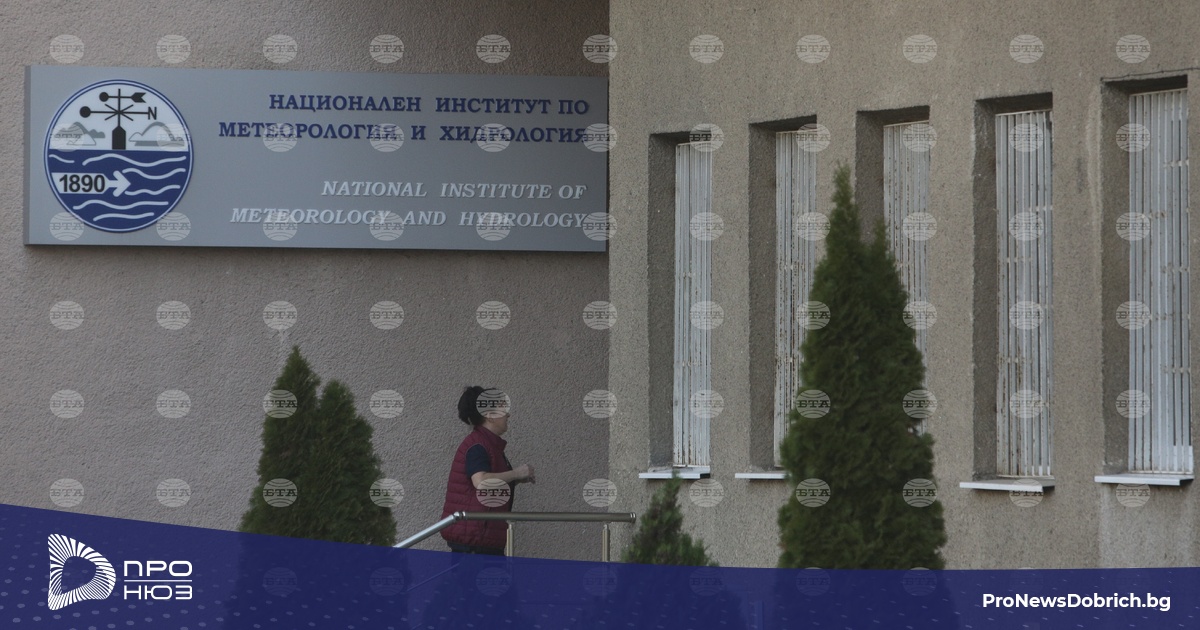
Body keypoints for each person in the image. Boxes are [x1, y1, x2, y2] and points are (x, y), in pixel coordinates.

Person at [439, 386, 535, 555]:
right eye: (503, 409)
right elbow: (481, 482)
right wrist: (516, 473)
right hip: (475, 542)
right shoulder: (478, 445)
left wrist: (515, 480)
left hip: (480, 538)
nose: (508, 414)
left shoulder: (486, 444)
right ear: (489, 415)